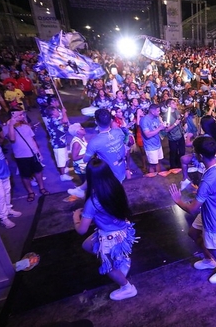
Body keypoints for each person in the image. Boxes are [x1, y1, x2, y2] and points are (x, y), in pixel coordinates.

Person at [169, 136, 216, 284]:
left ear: (200, 156)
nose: (193, 155)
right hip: (210, 210)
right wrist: (198, 191)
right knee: (193, 233)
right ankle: (209, 260)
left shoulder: (207, 181)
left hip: (213, 217)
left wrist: (177, 200)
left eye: (194, 152)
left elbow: (191, 210)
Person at [72, 158, 137, 301]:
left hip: (110, 236)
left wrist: (76, 217)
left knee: (108, 268)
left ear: (89, 177)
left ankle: (127, 288)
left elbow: (81, 230)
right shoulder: (116, 187)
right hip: (122, 230)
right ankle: (121, 260)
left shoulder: (92, 202)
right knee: (87, 245)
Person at [68, 109, 127, 198]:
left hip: (108, 176)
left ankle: (82, 190)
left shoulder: (94, 142)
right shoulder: (118, 131)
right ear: (111, 120)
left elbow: (85, 159)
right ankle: (80, 189)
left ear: (96, 122)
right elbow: (123, 142)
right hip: (121, 170)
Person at [6, 108, 49, 202]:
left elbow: (32, 140)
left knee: (38, 171)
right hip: (21, 156)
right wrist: (11, 125)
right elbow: (12, 139)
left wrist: (39, 153)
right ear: (12, 116)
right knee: (25, 175)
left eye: (22, 114)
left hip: (33, 153)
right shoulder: (7, 127)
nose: (22, 116)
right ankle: (30, 192)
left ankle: (42, 187)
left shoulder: (26, 126)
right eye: (19, 115)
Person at [180, 116, 216, 190]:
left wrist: (188, 136)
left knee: (183, 159)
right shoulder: (215, 134)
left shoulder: (202, 138)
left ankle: (185, 179)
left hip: (201, 158)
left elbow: (188, 144)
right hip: (210, 155)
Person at [0, 125, 22, 229]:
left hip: (3, 171)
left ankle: (8, 209)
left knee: (7, 191)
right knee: (0, 196)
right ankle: (3, 217)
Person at [140, 104, 165, 176]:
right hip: (150, 147)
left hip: (158, 144)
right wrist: (160, 128)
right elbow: (147, 135)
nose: (159, 112)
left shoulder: (156, 118)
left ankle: (159, 177)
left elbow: (159, 128)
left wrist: (164, 126)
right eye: (158, 111)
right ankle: (153, 181)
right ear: (152, 111)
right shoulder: (144, 120)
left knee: (158, 162)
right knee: (152, 165)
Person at [164, 98, 185, 170]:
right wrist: (175, 124)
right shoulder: (166, 116)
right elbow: (166, 130)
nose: (175, 103)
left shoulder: (177, 112)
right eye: (173, 103)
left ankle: (180, 165)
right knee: (173, 152)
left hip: (180, 134)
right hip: (173, 137)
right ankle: (173, 167)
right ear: (168, 105)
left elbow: (180, 121)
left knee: (182, 151)